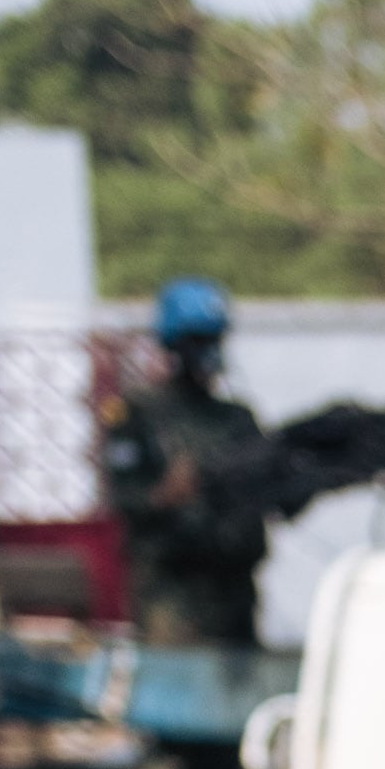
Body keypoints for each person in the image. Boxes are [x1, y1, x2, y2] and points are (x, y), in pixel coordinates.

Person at [99, 277, 273, 648]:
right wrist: (167, 494)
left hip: (234, 592)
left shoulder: (237, 419)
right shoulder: (138, 414)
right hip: (174, 593)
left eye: (213, 342)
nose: (207, 353)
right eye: (197, 343)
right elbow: (122, 496)